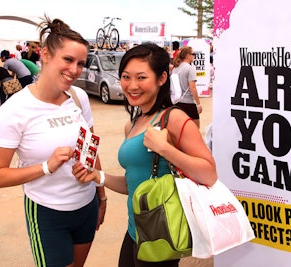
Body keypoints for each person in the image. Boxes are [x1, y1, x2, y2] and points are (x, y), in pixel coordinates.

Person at [72, 42, 217, 267]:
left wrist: (165, 148)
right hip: (135, 231)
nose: (132, 85)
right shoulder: (131, 125)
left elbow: (209, 175)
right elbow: (135, 184)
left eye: (141, 77)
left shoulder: (174, 118)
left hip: (161, 234)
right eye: (126, 77)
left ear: (161, 78)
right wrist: (97, 176)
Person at [0, 16, 107, 267]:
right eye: (68, 60)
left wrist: (101, 195)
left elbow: (91, 148)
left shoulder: (79, 97)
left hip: (86, 206)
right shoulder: (15, 109)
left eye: (81, 63)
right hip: (47, 212)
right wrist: (46, 167)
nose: (74, 70)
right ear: (46, 55)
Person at [172, 46, 202, 128]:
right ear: (188, 55)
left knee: (180, 130)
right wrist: (198, 104)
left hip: (177, 102)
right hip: (188, 103)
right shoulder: (190, 68)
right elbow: (193, 88)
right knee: (195, 129)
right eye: (193, 54)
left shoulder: (175, 68)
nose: (194, 56)